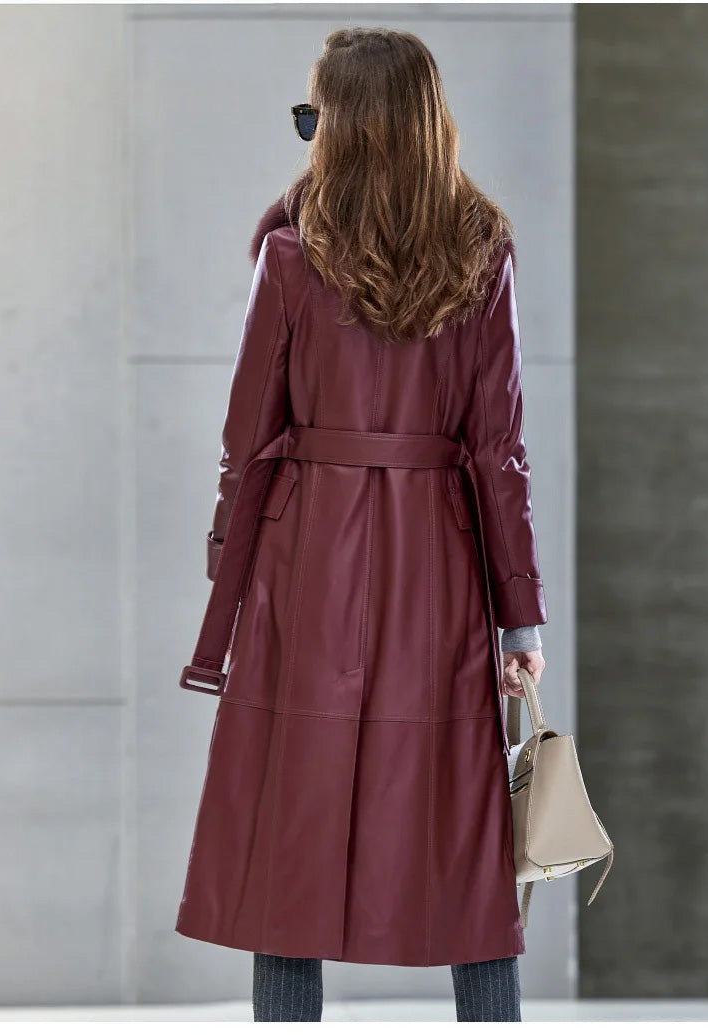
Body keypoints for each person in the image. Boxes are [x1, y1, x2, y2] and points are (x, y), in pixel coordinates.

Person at [175, 26, 547, 1023]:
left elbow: (247, 437)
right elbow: (497, 450)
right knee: (463, 821)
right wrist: (520, 618)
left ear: (339, 128)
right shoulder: (482, 254)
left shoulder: (294, 258)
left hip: (305, 560)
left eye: (313, 116)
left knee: (291, 815)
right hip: (440, 563)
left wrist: (230, 569)